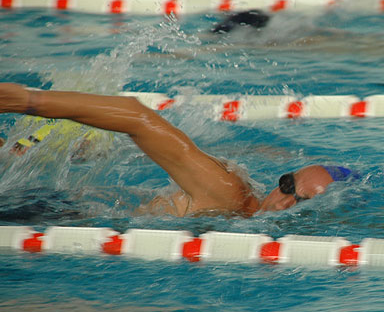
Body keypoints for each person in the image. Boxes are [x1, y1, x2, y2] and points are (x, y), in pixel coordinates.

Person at [0, 83, 357, 217]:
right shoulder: (230, 193)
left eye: (303, 202)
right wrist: (30, 100)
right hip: (48, 211)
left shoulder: (242, 210)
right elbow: (137, 118)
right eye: (287, 185)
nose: (285, 201)